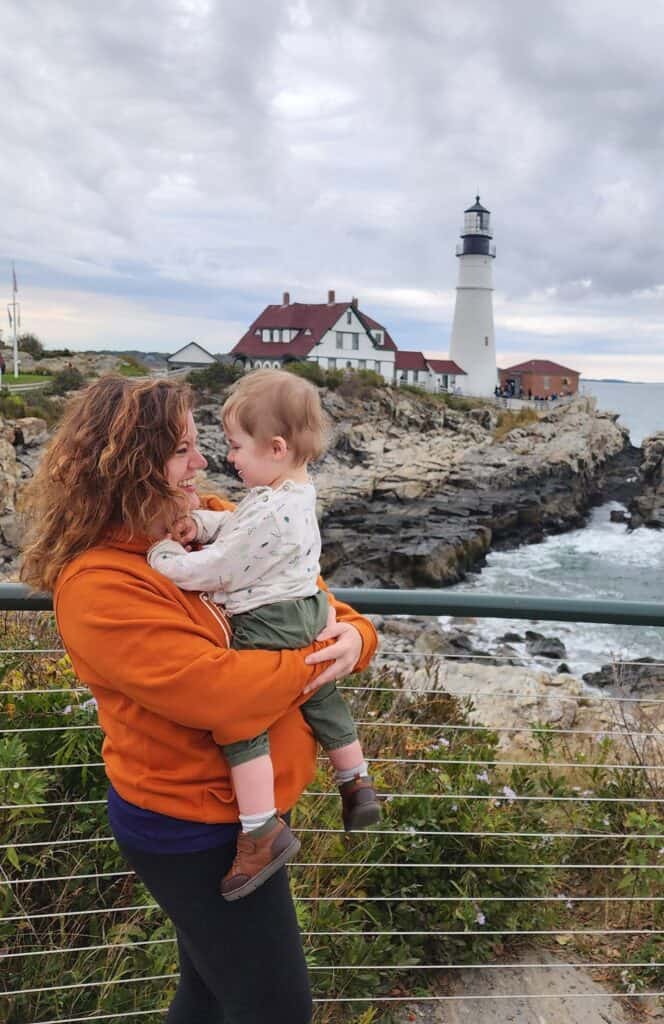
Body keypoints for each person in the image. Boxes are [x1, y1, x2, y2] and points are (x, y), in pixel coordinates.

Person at [20, 374, 378, 1024]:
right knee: (277, 1010)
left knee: (213, 993)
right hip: (193, 828)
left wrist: (357, 635)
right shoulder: (99, 585)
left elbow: (304, 593)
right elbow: (223, 696)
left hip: (251, 813)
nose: (205, 461)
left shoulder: (209, 514)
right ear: (133, 464)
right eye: (184, 449)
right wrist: (315, 661)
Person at [148, 369, 380, 901]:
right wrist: (199, 527)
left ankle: (259, 831)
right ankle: (356, 778)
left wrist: (165, 556)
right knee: (321, 689)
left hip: (269, 620)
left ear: (275, 447)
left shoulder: (269, 506)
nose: (225, 459)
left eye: (233, 446)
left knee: (240, 720)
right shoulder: (291, 494)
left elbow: (222, 567)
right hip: (309, 609)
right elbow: (241, 528)